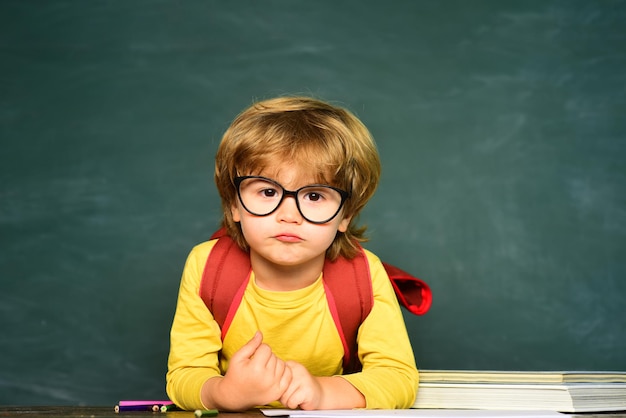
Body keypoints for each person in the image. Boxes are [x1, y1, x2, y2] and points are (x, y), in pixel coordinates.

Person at [166, 96, 419, 412]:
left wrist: (323, 392)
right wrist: (223, 394)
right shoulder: (207, 268)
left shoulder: (365, 274)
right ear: (234, 204)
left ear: (345, 216)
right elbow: (185, 375)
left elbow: (398, 379)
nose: (289, 215)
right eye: (268, 191)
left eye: (314, 195)